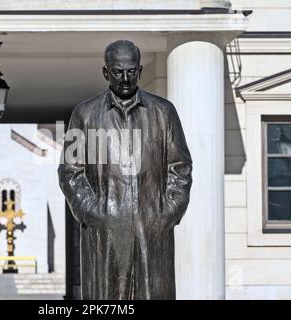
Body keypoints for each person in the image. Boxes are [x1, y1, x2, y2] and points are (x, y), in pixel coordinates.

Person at [58, 40, 192, 299]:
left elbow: (180, 168)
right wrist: (94, 212)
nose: (125, 78)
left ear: (140, 71)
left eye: (131, 71)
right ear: (106, 72)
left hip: (152, 229)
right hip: (106, 232)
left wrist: (166, 214)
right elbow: (70, 171)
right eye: (118, 71)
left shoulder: (164, 112)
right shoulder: (84, 114)